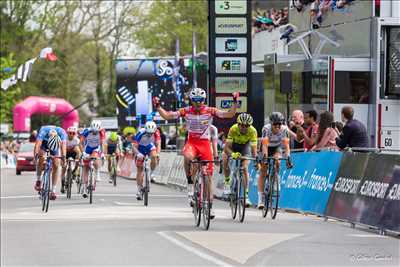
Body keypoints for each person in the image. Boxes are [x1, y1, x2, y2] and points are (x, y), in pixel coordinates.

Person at [154, 88, 239, 218]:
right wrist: (158, 106)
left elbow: (229, 114)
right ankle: (189, 182)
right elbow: (167, 115)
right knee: (187, 156)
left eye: (201, 100)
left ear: (204, 100)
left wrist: (235, 101)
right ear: (191, 100)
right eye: (195, 100)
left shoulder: (210, 110)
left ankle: (210, 207)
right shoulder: (186, 111)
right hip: (192, 143)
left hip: (205, 144)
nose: (198, 103)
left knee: (208, 178)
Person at [222, 113, 258, 206]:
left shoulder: (253, 131)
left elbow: (254, 150)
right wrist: (232, 154)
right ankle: (227, 182)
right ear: (238, 124)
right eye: (241, 125)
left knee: (245, 168)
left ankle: (246, 197)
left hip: (244, 148)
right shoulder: (233, 129)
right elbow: (226, 148)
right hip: (232, 147)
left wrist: (256, 161)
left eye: (246, 126)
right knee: (225, 159)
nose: (244, 127)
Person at [258, 112, 291, 209]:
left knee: (278, 160)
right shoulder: (266, 128)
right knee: (263, 170)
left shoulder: (285, 129)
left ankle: (276, 177)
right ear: (271, 123)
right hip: (266, 147)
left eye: (279, 124)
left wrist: (288, 157)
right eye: (275, 124)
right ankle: (261, 198)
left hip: (277, 147)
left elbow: (286, 146)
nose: (277, 127)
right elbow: (264, 145)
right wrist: (264, 158)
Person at [34, 125, 67, 200]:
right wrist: (36, 156)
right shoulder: (43, 131)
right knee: (41, 156)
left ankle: (53, 190)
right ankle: (39, 179)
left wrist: (63, 157)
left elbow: (63, 146)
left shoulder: (62, 132)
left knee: (56, 165)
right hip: (44, 143)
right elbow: (37, 145)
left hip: (55, 144)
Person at [131, 121, 161, 200]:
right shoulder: (140, 132)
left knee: (154, 156)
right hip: (140, 148)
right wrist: (137, 154)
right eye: (148, 133)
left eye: (151, 133)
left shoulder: (157, 132)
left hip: (149, 147)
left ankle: (151, 173)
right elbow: (134, 147)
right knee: (140, 169)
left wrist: (158, 153)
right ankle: (139, 189)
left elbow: (158, 144)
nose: (150, 135)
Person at [79, 121, 106, 198]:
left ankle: (97, 173)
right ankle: (84, 188)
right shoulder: (86, 131)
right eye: (93, 131)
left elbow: (102, 143)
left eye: (96, 131)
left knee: (96, 158)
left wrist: (103, 153)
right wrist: (82, 152)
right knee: (85, 168)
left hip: (96, 148)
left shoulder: (102, 131)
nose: (94, 132)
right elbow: (80, 143)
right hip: (87, 149)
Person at [61, 126, 81, 193]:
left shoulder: (77, 140)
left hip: (73, 153)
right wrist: (62, 158)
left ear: (75, 134)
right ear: (67, 133)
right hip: (66, 153)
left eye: (73, 133)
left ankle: (74, 171)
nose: (71, 135)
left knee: (77, 150)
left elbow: (79, 151)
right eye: (70, 133)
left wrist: (79, 158)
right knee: (64, 167)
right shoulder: (64, 139)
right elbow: (61, 149)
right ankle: (62, 184)